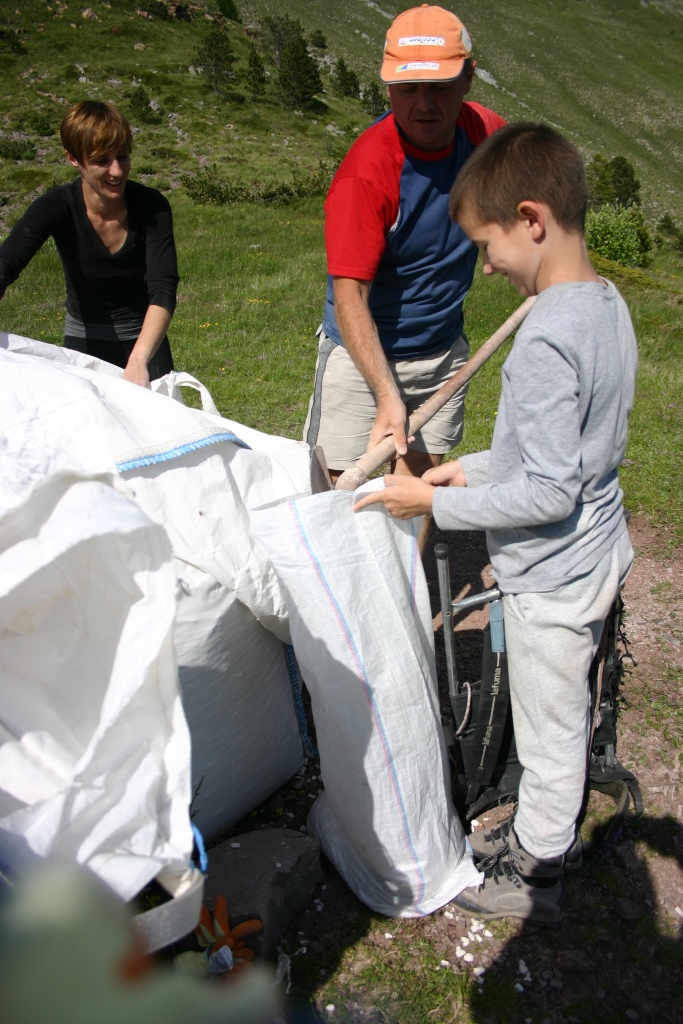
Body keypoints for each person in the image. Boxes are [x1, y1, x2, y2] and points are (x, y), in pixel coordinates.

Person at [354, 122, 638, 923]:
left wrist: (434, 503)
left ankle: (537, 872)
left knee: (548, 732)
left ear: (531, 219)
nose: (485, 266)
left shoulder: (547, 335)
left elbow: (546, 492)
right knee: (560, 715)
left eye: (487, 246)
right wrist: (471, 466)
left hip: (552, 577)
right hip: (594, 549)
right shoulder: (604, 304)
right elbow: (572, 451)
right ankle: (542, 829)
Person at [303, 5, 505, 495]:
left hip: (441, 352)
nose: (423, 105)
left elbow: (531, 195)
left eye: (439, 87)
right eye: (407, 88)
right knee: (338, 498)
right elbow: (350, 297)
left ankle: (407, 575)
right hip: (362, 357)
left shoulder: (484, 135)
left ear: (468, 80)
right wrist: (386, 394)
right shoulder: (366, 174)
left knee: (414, 489)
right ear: (388, 86)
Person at [0, 101, 178, 386]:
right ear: (73, 158)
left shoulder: (152, 206)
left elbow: (163, 287)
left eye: (123, 156)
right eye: (101, 160)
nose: (117, 171)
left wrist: (138, 361)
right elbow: (7, 261)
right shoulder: (56, 206)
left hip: (146, 347)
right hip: (82, 346)